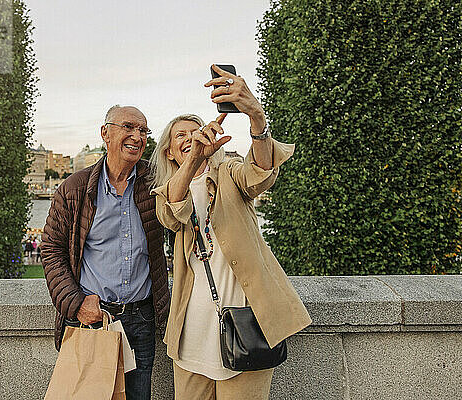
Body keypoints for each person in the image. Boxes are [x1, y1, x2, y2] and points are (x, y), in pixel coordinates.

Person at [149, 65, 312, 400]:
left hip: (245, 324)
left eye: (196, 131)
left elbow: (261, 173)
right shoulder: (168, 190)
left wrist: (256, 117)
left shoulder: (228, 174)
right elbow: (171, 212)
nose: (191, 138)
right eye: (181, 135)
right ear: (168, 151)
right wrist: (194, 157)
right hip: (191, 331)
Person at [41, 105, 170, 400]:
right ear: (105, 133)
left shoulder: (156, 182)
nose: (137, 136)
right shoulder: (75, 188)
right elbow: (52, 249)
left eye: (143, 130)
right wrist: (75, 303)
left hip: (142, 319)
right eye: (128, 127)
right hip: (93, 318)